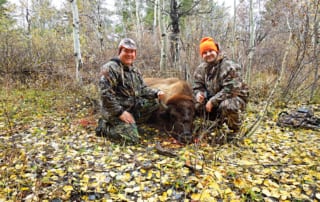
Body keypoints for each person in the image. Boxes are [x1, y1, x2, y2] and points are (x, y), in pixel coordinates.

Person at [95, 38, 165, 144]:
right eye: (126, 51)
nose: (129, 54)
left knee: (154, 103)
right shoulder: (110, 68)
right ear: (120, 52)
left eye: (132, 52)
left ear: (135, 54)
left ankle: (131, 124)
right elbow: (105, 94)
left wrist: (156, 93)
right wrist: (121, 113)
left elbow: (142, 89)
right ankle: (104, 127)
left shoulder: (134, 70)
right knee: (131, 139)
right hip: (114, 111)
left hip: (131, 108)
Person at [193, 37, 249, 142]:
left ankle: (234, 132)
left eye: (210, 51)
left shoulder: (228, 66)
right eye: (204, 53)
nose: (208, 54)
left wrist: (213, 101)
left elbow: (232, 89)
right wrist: (199, 94)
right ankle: (215, 123)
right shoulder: (201, 68)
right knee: (194, 104)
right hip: (213, 98)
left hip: (234, 98)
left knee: (228, 105)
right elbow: (197, 86)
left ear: (216, 50)